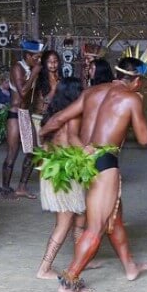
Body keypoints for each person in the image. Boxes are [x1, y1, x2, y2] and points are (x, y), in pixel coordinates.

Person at [40, 56, 147, 292]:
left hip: (83, 162)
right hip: (104, 161)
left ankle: (130, 267)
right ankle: (70, 280)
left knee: (114, 216)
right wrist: (138, 111)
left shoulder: (92, 92)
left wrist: (40, 138)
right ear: (137, 80)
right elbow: (144, 139)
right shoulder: (132, 98)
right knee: (97, 225)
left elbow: (58, 119)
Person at [37, 77, 98, 279]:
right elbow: (72, 139)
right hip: (64, 173)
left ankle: (81, 260)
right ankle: (44, 268)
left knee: (80, 217)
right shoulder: (74, 115)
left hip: (54, 168)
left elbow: (45, 142)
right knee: (64, 222)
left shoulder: (54, 115)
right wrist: (87, 150)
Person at [0, 40, 44, 200]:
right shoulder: (17, 68)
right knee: (12, 152)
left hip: (25, 114)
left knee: (34, 151)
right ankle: (5, 189)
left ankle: (21, 187)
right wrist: (34, 73)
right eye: (36, 57)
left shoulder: (31, 68)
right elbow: (23, 91)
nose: (38, 61)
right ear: (27, 55)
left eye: (39, 58)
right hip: (15, 114)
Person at [35, 50, 62, 115]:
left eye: (55, 61)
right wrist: (53, 89)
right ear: (45, 63)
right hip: (44, 115)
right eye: (49, 61)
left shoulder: (61, 79)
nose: (53, 64)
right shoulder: (40, 79)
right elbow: (42, 105)